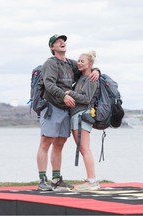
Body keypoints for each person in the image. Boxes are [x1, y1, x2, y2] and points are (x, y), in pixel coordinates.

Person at [37, 34, 99, 191]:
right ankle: (43, 180)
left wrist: (97, 70)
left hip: (66, 110)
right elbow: (49, 85)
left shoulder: (70, 64)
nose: (61, 42)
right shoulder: (50, 63)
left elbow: (85, 67)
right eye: (57, 42)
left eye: (63, 41)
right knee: (46, 142)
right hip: (52, 107)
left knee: (59, 143)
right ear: (52, 48)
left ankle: (56, 180)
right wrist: (64, 95)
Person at [66, 50, 100, 191]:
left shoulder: (92, 79)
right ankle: (90, 179)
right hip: (77, 115)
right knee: (83, 148)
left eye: (82, 61)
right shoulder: (82, 77)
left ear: (90, 64)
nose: (79, 63)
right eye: (78, 60)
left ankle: (92, 181)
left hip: (82, 116)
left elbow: (86, 98)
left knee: (85, 148)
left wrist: (69, 93)